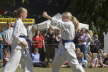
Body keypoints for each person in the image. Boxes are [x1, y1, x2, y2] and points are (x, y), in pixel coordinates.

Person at [3, 7, 32, 72]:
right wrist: (22, 42)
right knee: (13, 63)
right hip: (19, 46)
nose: (27, 15)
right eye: (26, 14)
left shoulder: (20, 22)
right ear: (22, 14)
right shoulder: (18, 22)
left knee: (28, 62)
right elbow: (15, 35)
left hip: (23, 46)